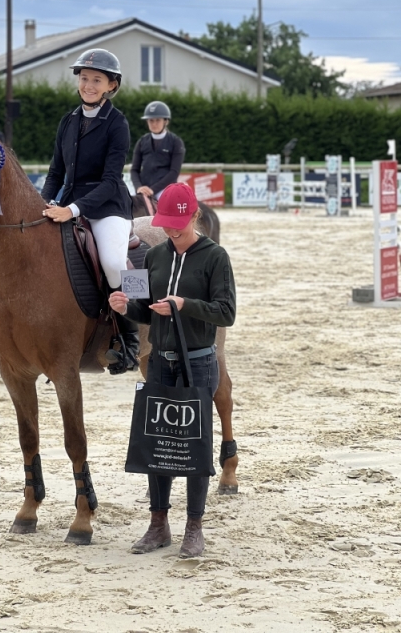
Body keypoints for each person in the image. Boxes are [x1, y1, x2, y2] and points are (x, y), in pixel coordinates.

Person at [109, 182, 236, 557]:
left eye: (178, 223)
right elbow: (142, 307)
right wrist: (123, 307)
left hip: (198, 360)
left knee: (196, 447)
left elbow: (226, 312)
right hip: (160, 361)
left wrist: (184, 304)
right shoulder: (154, 255)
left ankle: (194, 527)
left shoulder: (216, 257)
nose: (170, 229)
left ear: (195, 216)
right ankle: (158, 524)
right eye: (166, 223)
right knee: (156, 445)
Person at [40, 48, 139, 372]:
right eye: (84, 79)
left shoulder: (118, 124)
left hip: (108, 207)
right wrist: (43, 204)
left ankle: (129, 338)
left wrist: (73, 209)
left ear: (112, 85)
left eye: (97, 80)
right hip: (69, 201)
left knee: (112, 262)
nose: (89, 85)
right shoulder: (68, 121)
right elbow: (56, 172)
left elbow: (111, 181)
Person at [130, 101, 185, 200]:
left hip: (165, 188)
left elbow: (174, 172)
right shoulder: (142, 142)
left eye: (158, 120)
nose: (154, 124)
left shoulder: (176, 142)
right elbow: (134, 170)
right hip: (143, 188)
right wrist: (138, 187)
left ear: (166, 121)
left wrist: (153, 189)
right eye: (151, 120)